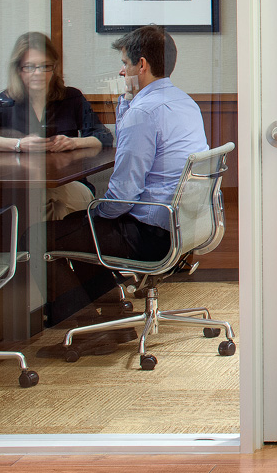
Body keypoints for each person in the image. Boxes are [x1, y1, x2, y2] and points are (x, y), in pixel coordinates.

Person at [41, 24, 207, 326]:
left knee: (37, 237)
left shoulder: (143, 114)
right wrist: (127, 103)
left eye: (124, 64)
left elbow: (122, 199)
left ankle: (86, 324)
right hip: (184, 226)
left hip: (149, 234)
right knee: (78, 226)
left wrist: (97, 211)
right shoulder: (185, 103)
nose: (121, 72)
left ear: (140, 65)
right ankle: (111, 309)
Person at [0, 32, 113, 220]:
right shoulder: (6, 102)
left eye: (45, 67)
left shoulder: (71, 97)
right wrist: (18, 144)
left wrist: (73, 143)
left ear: (54, 67)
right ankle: (54, 247)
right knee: (46, 204)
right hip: (21, 188)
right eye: (30, 67)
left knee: (40, 196)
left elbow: (104, 138)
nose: (38, 73)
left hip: (71, 185)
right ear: (18, 69)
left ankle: (32, 246)